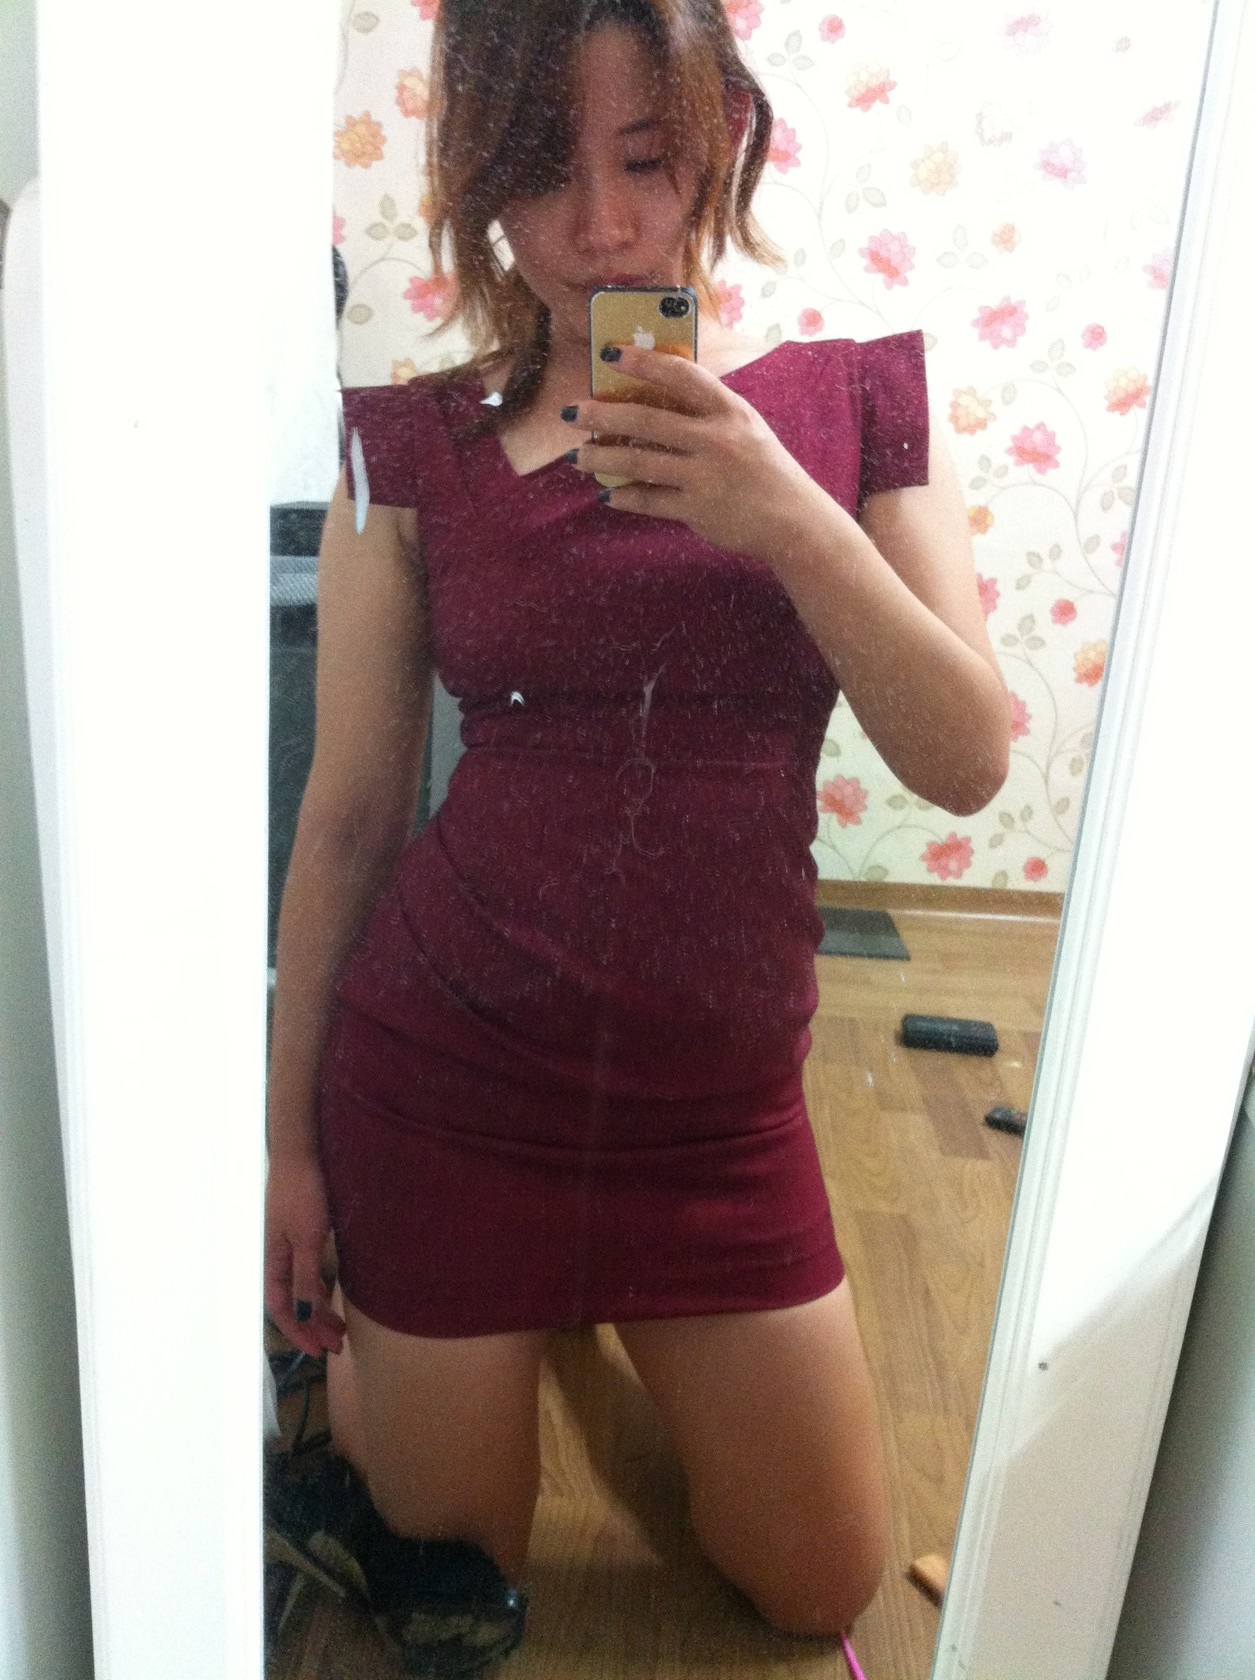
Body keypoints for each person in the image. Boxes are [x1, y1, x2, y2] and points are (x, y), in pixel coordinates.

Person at [264, 0, 1012, 1672]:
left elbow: (966, 759)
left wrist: (787, 517)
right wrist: (289, 1147)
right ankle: (372, 1353)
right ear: (479, 184)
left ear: (723, 145)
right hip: (444, 1083)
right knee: (460, 1577)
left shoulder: (850, 405)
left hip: (714, 1118)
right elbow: (352, 817)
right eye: (543, 169)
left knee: (819, 1584)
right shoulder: (412, 446)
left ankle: (554, 1319)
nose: (600, 225)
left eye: (648, 158)